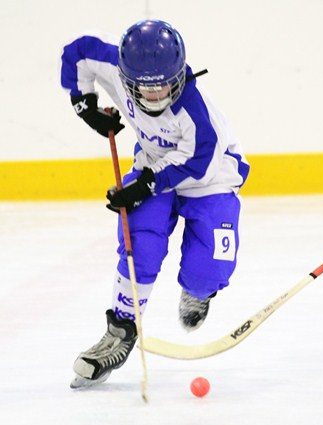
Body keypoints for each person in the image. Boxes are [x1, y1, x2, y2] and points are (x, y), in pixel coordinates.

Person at [61, 20, 250, 387]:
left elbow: (198, 161)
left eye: (164, 84)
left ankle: (199, 290)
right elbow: (77, 52)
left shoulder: (197, 113)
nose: (156, 96)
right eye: (144, 89)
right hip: (154, 165)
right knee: (140, 241)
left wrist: (147, 184)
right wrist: (85, 105)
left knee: (211, 264)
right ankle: (121, 329)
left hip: (210, 177)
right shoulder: (114, 66)